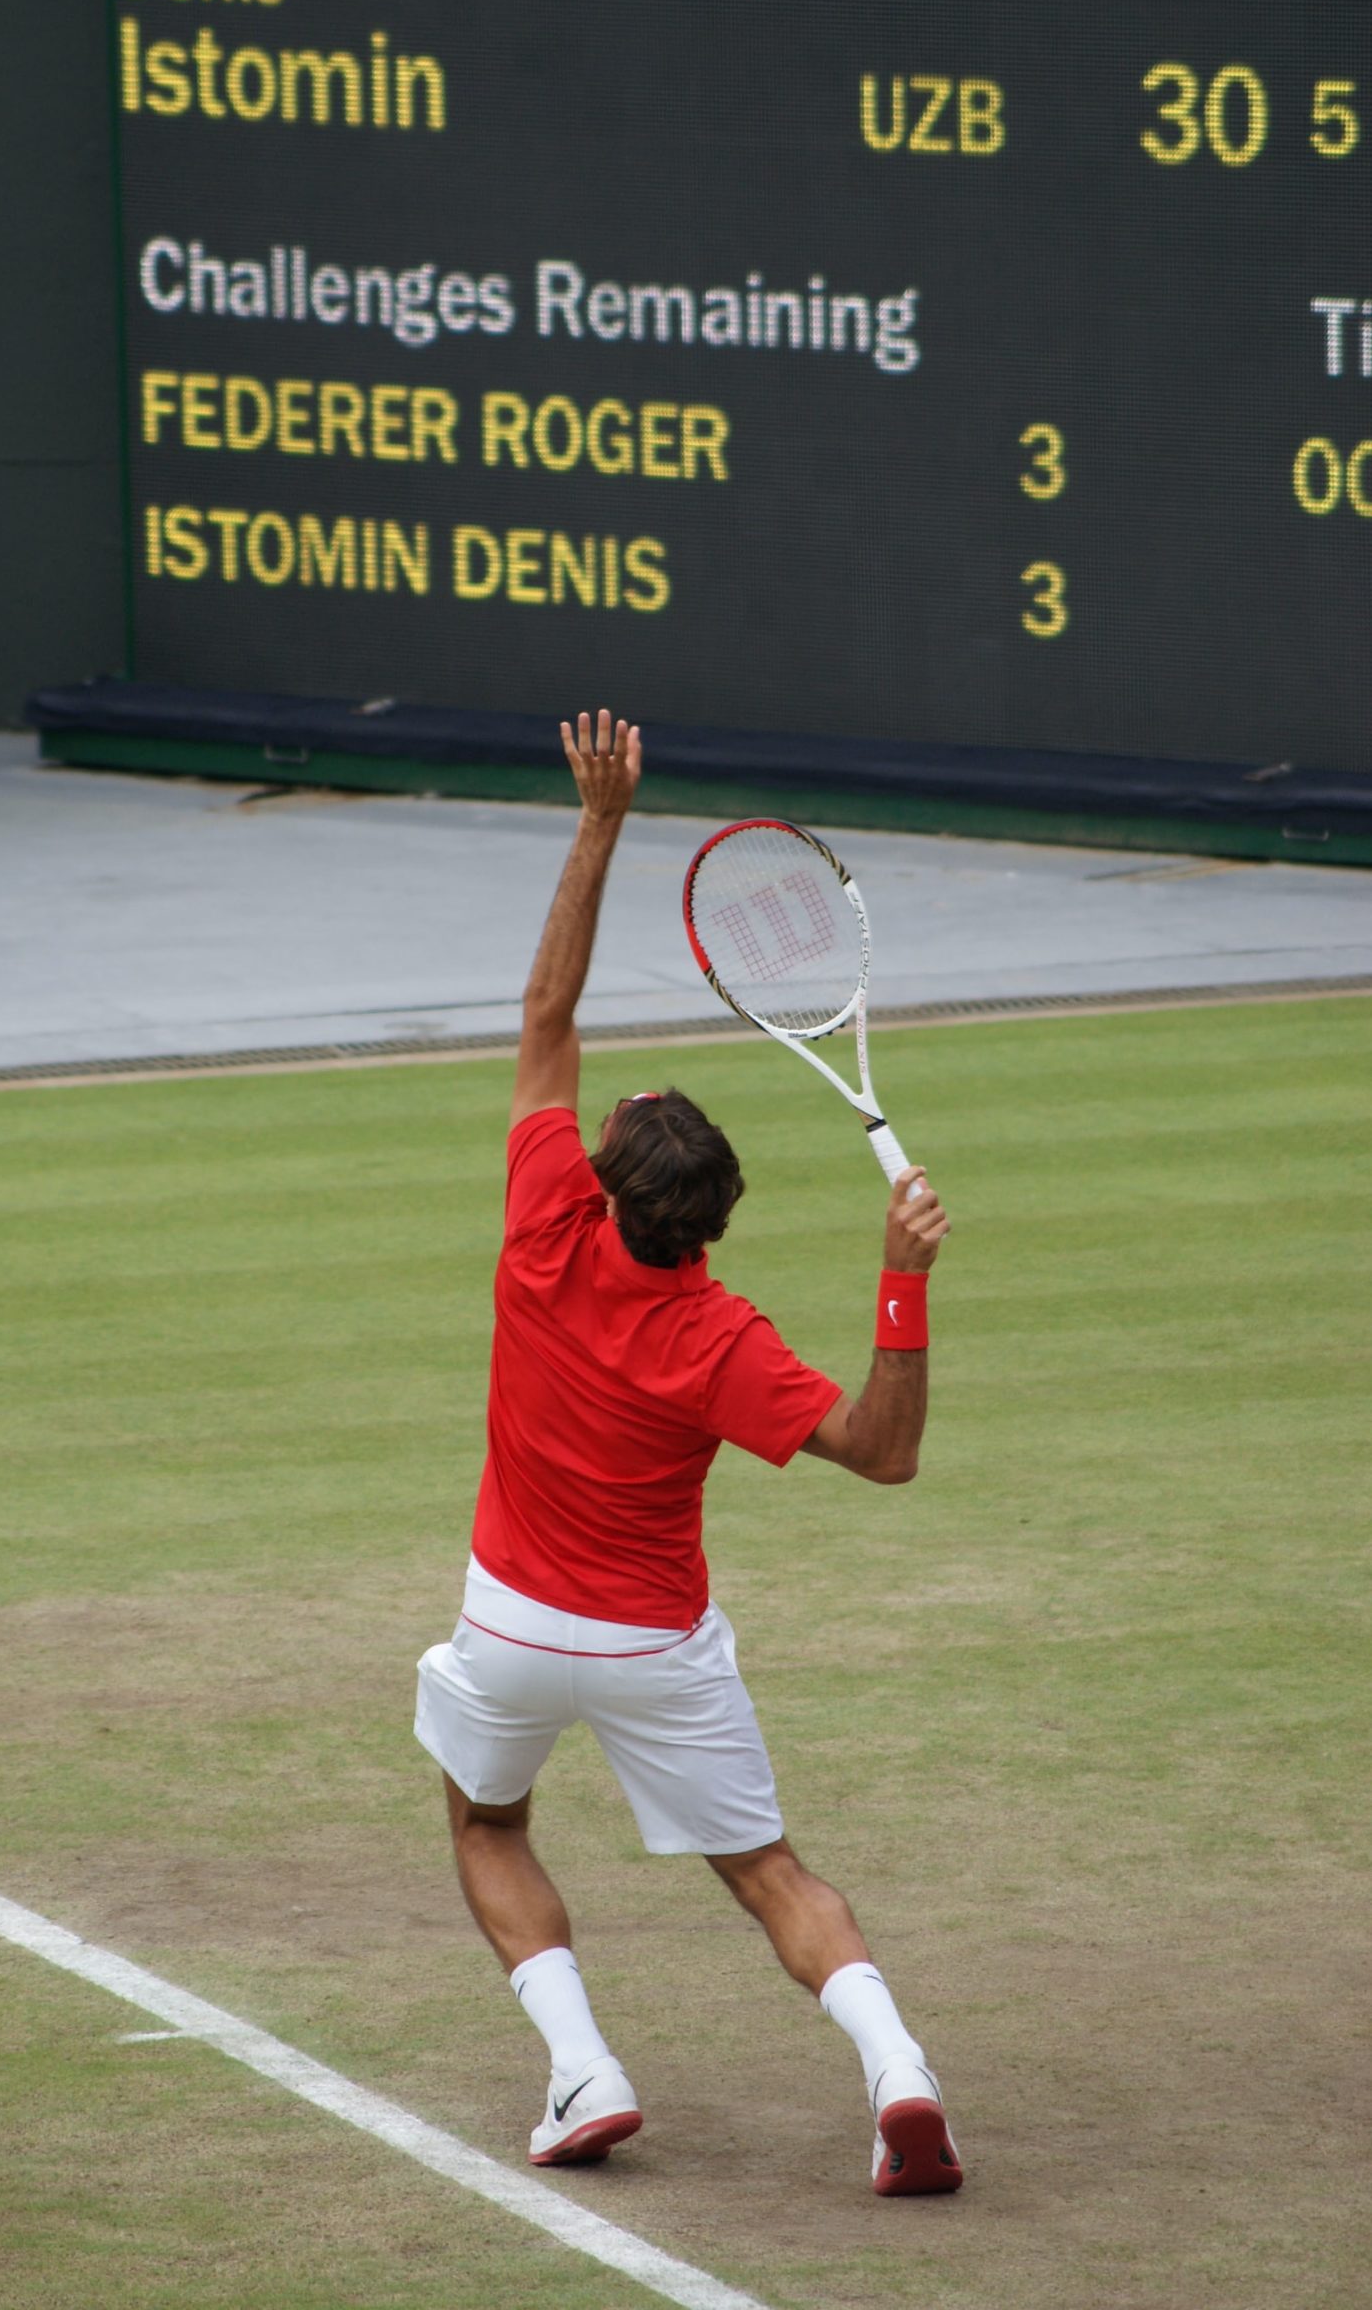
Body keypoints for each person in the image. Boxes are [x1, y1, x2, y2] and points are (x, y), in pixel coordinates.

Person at [414, 710, 962, 2196]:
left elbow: (544, 1016)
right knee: (771, 1877)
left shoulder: (543, 1220)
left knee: (483, 1822)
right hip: (658, 1647)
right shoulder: (722, 1340)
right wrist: (900, 1277)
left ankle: (582, 2068)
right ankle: (899, 2074)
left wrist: (598, 821)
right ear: (708, 1223)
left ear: (605, 1183)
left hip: (513, 1627)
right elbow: (881, 1450)